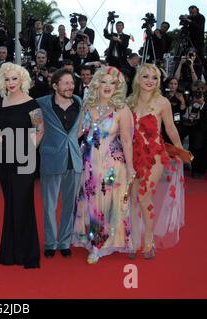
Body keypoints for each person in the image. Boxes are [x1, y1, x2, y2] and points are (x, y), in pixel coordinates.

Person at [72, 67, 135, 264]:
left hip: (112, 166)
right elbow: (78, 133)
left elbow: (126, 140)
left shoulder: (122, 109)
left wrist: (131, 167)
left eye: (112, 83)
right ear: (96, 83)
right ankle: (93, 240)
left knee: (107, 204)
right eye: (104, 82)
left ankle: (100, 245)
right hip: (89, 164)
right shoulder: (87, 106)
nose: (108, 86)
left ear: (117, 87)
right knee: (91, 203)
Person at [127, 64, 185, 259]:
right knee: (132, 199)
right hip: (133, 156)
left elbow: (171, 128)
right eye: (146, 77)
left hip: (155, 156)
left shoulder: (163, 103)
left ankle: (149, 242)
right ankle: (134, 242)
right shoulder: (129, 102)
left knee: (143, 197)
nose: (150, 81)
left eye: (154, 78)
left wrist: (180, 151)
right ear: (138, 79)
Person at [0, 62, 44, 269]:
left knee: (23, 203)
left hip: (24, 160)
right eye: (7, 79)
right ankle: (10, 251)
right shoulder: (2, 102)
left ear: (22, 80)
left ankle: (27, 252)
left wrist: (28, 150)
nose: (11, 82)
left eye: (15, 78)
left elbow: (40, 129)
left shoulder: (32, 104)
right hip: (4, 160)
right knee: (10, 203)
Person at [36, 68, 82, 259]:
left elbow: (80, 129)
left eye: (71, 83)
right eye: (65, 83)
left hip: (74, 159)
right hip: (51, 159)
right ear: (55, 85)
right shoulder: (40, 104)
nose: (70, 86)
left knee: (69, 206)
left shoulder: (80, 102)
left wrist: (70, 141)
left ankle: (64, 242)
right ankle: (50, 243)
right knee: (49, 205)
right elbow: (35, 128)